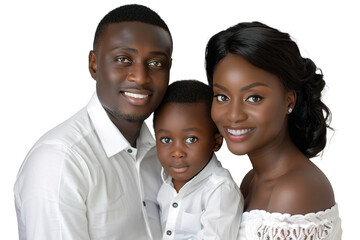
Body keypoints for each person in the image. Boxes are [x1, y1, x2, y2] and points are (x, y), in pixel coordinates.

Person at [14, 4, 172, 240]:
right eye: (123, 59)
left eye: (156, 63)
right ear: (94, 64)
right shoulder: (61, 161)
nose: (140, 77)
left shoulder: (164, 152)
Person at [205, 22, 342, 239]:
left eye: (254, 98)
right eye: (222, 97)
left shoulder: (295, 190)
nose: (233, 115)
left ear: (289, 100)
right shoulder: (252, 181)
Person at [153, 80, 244, 240]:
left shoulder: (220, 191)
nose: (177, 152)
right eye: (166, 140)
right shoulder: (160, 182)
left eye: (191, 139)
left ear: (216, 142)